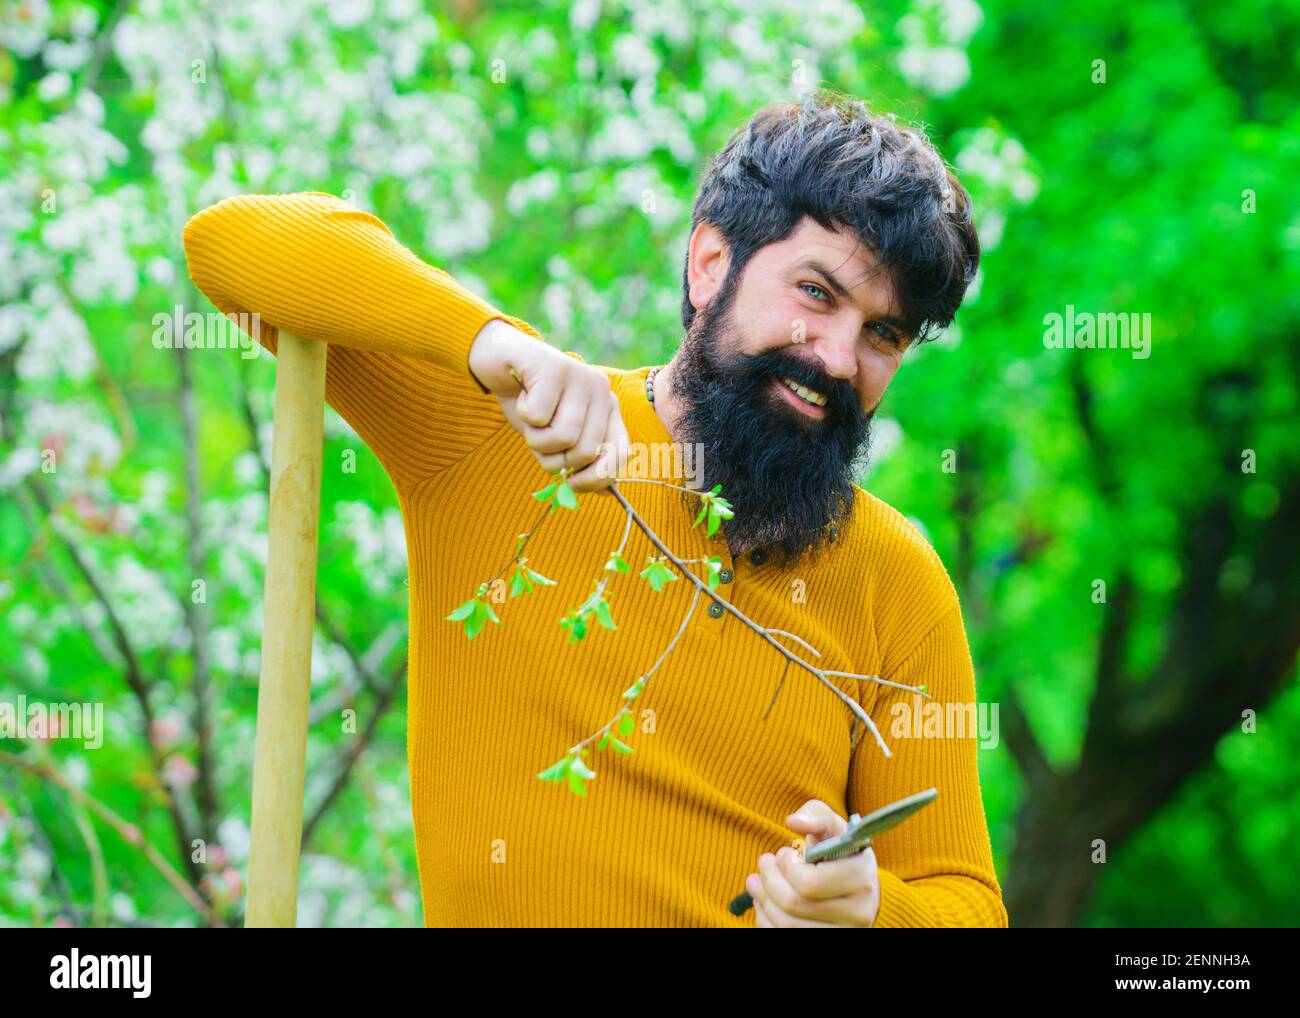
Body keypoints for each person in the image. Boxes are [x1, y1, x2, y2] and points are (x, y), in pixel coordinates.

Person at [182, 88, 1006, 927]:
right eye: (818, 293)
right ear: (710, 264)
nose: (837, 358)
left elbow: (968, 905)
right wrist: (491, 343)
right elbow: (229, 244)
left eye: (884, 336)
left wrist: (870, 909)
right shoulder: (510, 424)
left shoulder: (896, 579)